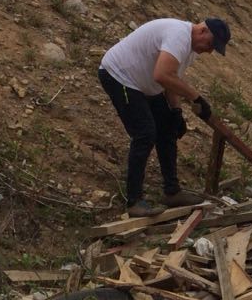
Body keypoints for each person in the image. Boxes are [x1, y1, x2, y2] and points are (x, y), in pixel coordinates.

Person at [98, 17, 231, 217]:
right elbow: (162, 75)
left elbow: (171, 79)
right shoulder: (178, 36)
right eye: (211, 44)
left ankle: (172, 192)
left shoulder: (190, 49)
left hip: (144, 85)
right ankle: (134, 201)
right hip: (120, 76)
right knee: (145, 134)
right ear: (203, 31)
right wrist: (196, 97)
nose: (209, 51)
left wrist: (176, 111)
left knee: (168, 128)